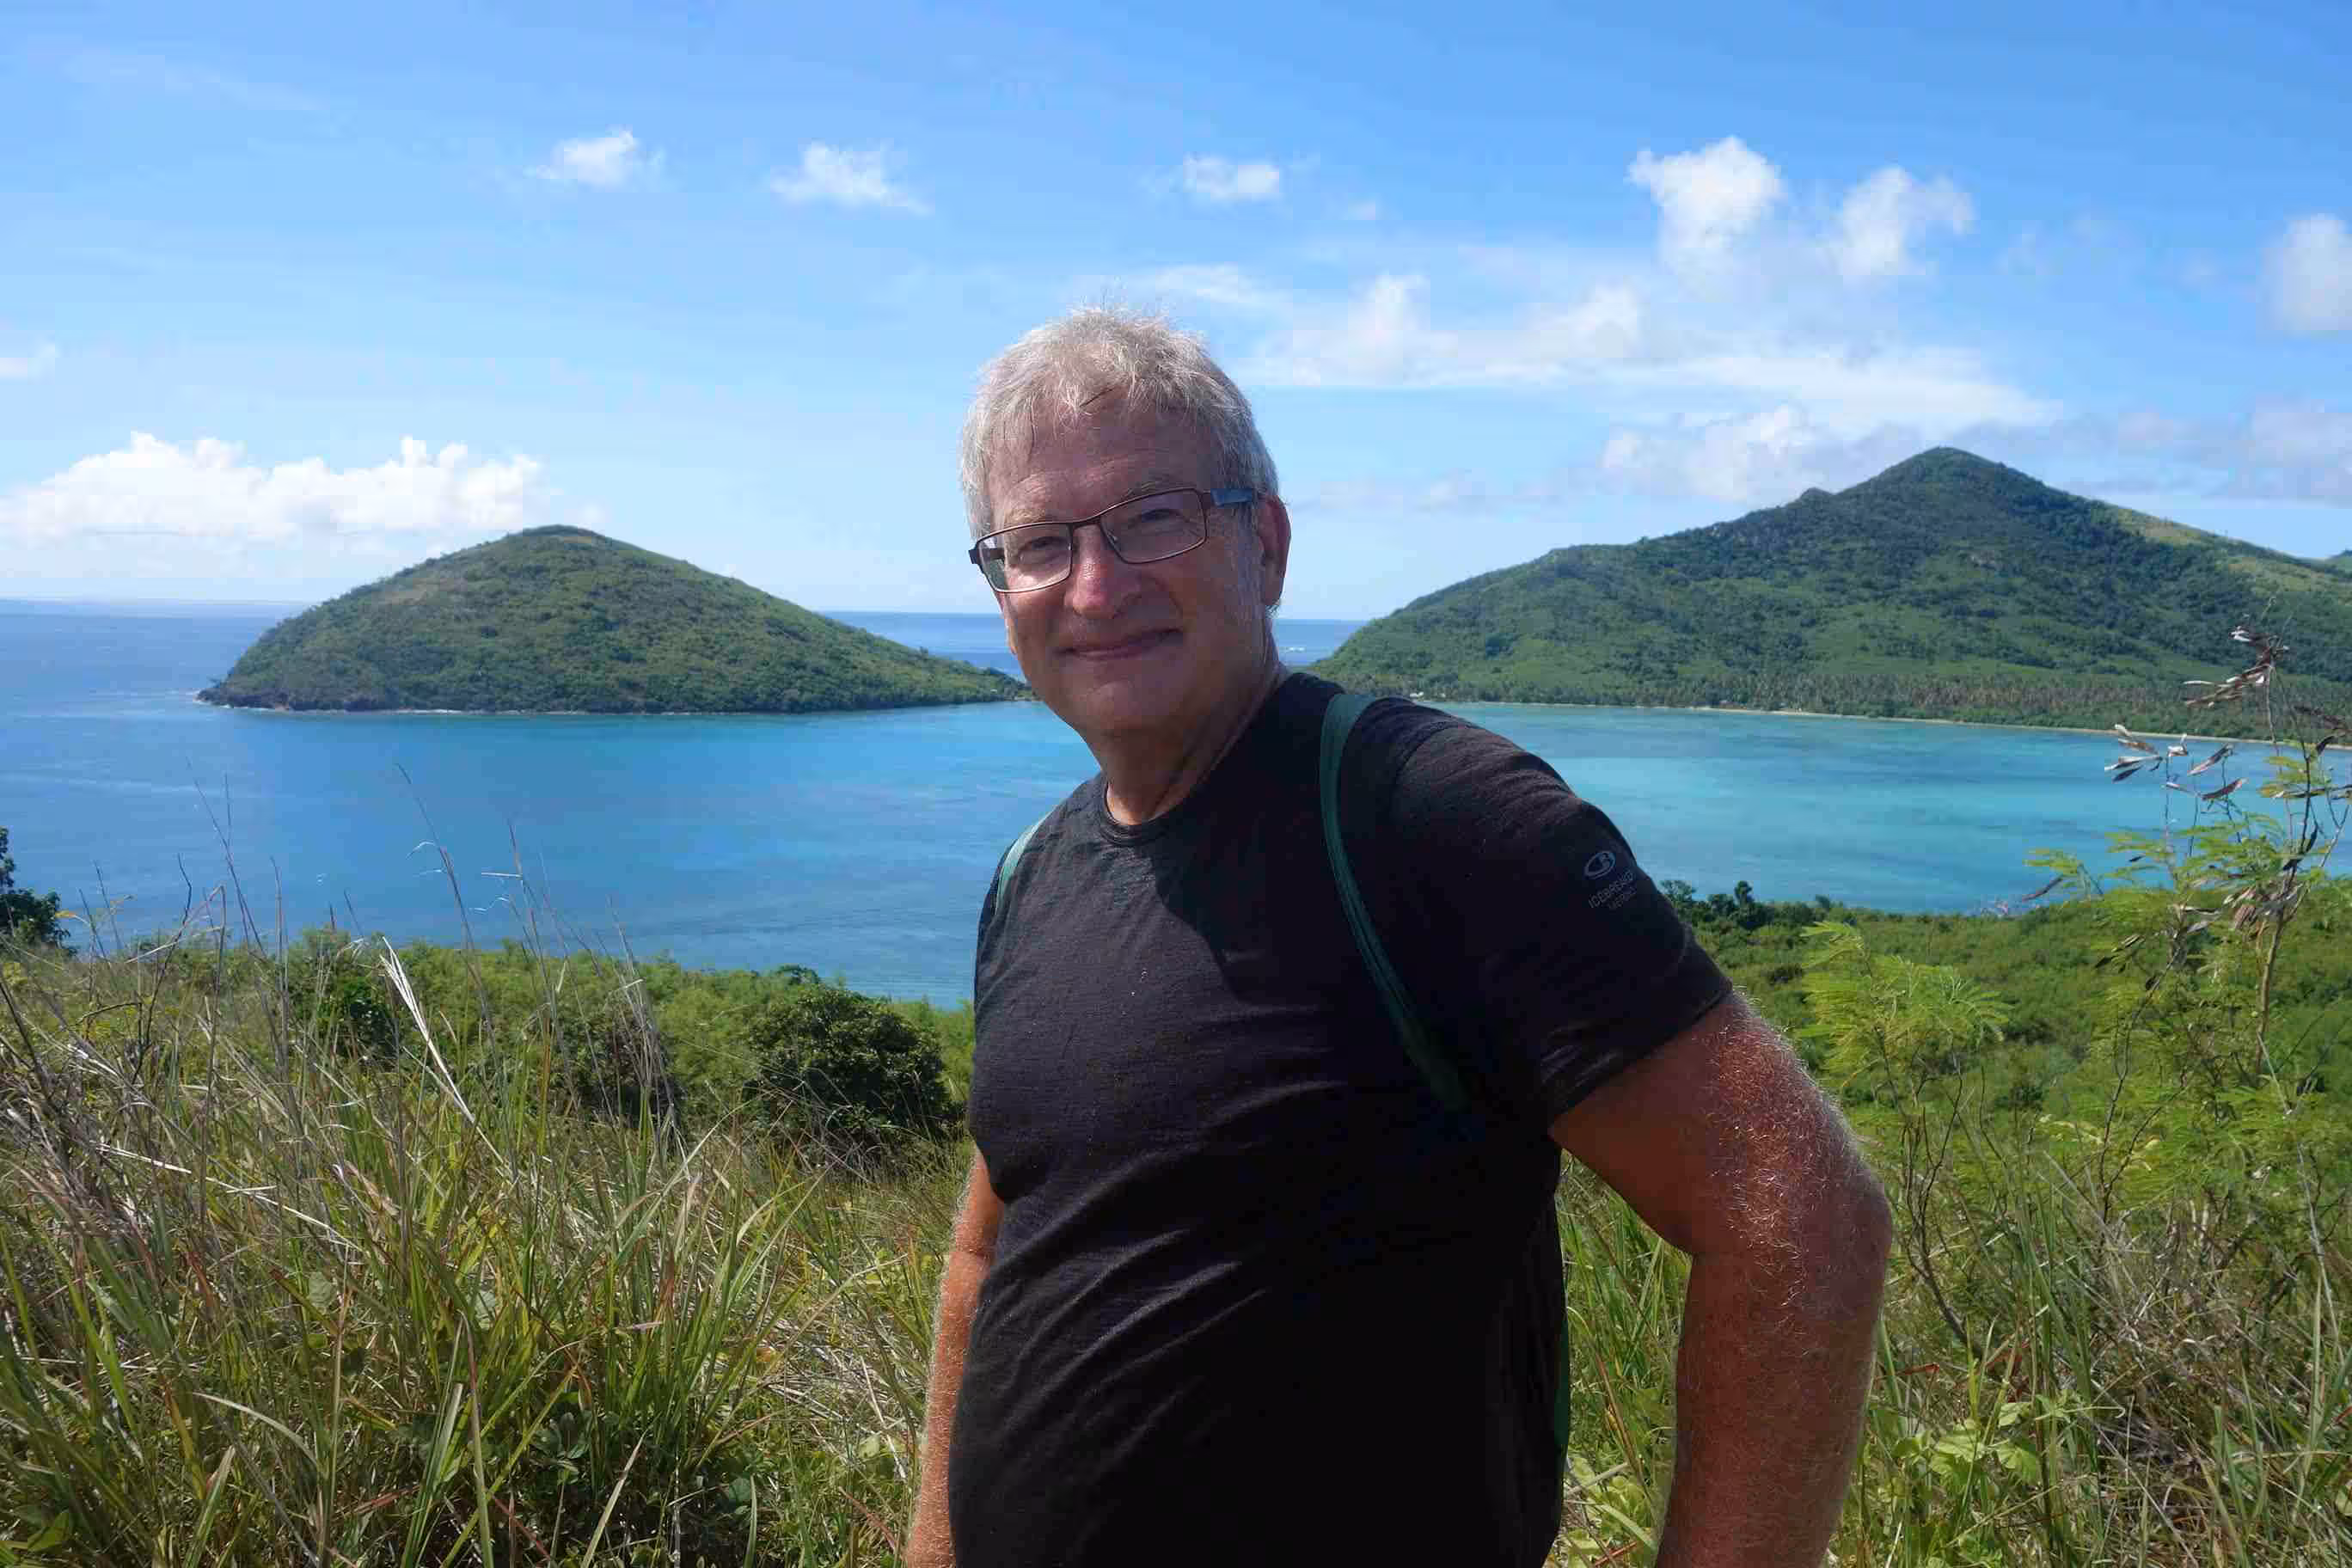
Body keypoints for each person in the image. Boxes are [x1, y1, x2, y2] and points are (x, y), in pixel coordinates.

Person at [905, 307, 1891, 1568]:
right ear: (1001, 588)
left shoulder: (1429, 819)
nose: (1096, 586)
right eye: (1042, 544)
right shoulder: (1034, 875)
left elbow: (1802, 1214)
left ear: (1266, 546)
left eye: (1155, 518)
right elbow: (992, 1252)